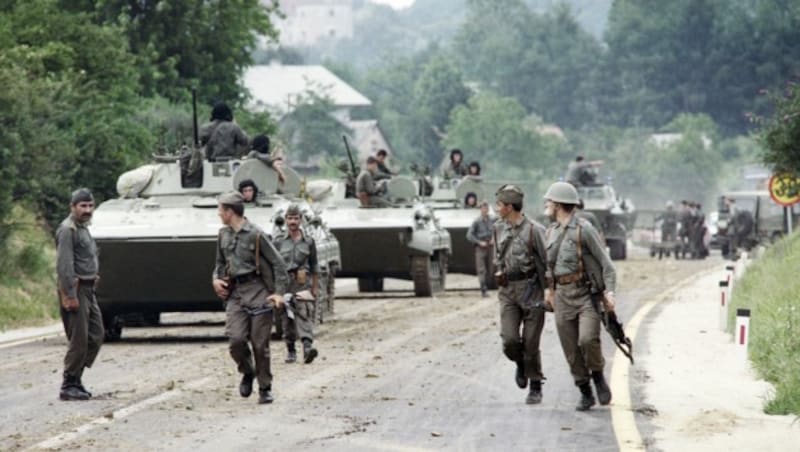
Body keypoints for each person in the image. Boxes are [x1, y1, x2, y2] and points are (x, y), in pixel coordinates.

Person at [543, 181, 616, 411]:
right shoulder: (552, 232)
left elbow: (607, 265)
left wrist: (610, 292)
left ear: (558, 204)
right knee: (571, 349)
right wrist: (550, 292)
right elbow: (550, 268)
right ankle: (584, 390)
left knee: (587, 340)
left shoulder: (584, 230)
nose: (546, 204)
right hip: (563, 297)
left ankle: (597, 375)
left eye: (549, 201)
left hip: (586, 295)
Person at [212, 191, 289, 404]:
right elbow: (219, 264)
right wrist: (216, 280)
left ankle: (265, 387)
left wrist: (279, 293)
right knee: (236, 341)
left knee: (259, 345)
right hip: (235, 294)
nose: (218, 214)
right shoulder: (223, 235)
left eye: (221, 210)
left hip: (258, 292)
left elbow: (279, 264)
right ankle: (248, 371)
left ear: (230, 212)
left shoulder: (256, 234)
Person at [493, 185, 549, 405]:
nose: (496, 209)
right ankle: (521, 363)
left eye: (499, 205)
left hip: (531, 288)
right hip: (508, 290)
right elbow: (496, 255)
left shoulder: (535, 230)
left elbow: (547, 262)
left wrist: (549, 290)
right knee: (509, 340)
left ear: (509, 207)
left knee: (531, 341)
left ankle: (535, 385)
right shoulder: (497, 228)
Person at [55, 188, 104, 401]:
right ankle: (69, 383)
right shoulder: (68, 230)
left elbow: (86, 256)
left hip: (88, 288)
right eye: (82, 206)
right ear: (73, 207)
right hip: (76, 289)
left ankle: (77, 376)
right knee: (79, 339)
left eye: (90, 206)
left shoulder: (83, 228)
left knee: (96, 335)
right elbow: (64, 264)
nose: (87, 210)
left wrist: (93, 274)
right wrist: (69, 295)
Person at [273, 204, 319, 364]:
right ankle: (291, 349)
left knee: (303, 311)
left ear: (301, 220)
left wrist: (314, 286)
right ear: (285, 220)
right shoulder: (278, 242)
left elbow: (314, 265)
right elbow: (274, 264)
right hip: (285, 282)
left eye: (296, 218)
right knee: (287, 317)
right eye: (290, 218)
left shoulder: (308, 242)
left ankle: (307, 347)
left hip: (302, 282)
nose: (293, 221)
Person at [466, 201, 496, 297]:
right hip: (480, 247)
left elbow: (498, 229)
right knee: (481, 270)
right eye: (483, 208)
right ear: (480, 210)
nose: (485, 210)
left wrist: (494, 239)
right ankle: (483, 289)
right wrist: (479, 242)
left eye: (486, 208)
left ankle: (487, 285)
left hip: (490, 246)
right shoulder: (477, 221)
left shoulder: (493, 220)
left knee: (490, 269)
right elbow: (469, 235)